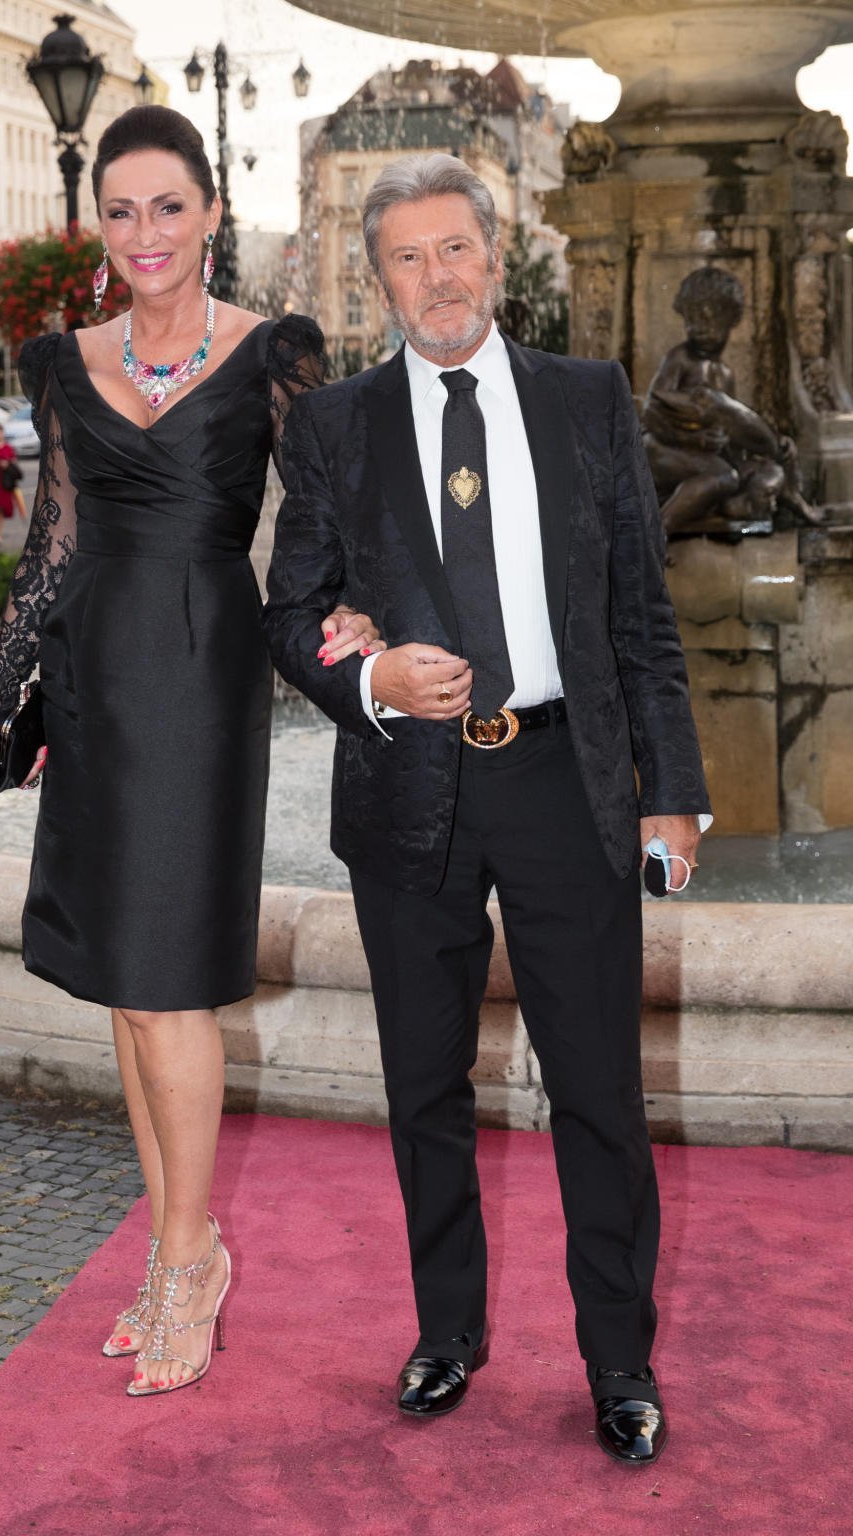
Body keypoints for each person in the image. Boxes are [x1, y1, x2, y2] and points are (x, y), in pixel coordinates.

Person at [263, 153, 711, 1465]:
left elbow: (640, 613)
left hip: (568, 780)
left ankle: (619, 1361)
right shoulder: (333, 426)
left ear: (497, 256)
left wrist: (673, 792)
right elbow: (289, 616)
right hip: (410, 784)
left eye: (454, 247)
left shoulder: (587, 398)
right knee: (423, 1083)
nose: (437, 277)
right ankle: (446, 1331)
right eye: (406, 257)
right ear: (379, 280)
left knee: (599, 1089)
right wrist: (374, 681)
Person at [0, 105, 380, 1399]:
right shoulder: (61, 361)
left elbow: (330, 509)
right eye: (120, 210)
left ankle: (194, 1262)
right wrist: (5, 701)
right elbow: (51, 545)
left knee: (168, 984)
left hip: (201, 680)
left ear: (210, 213)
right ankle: (170, 1249)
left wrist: (362, 613)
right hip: (95, 680)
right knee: (124, 988)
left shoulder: (272, 353)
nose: (144, 233)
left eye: (167, 206)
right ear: (98, 225)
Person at [642, 265, 822, 534]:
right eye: (691, 319)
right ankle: (659, 530)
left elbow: (732, 430)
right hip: (665, 451)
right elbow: (651, 413)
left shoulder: (725, 374)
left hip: (707, 458)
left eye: (709, 319)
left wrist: (768, 446)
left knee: (770, 472)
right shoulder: (680, 359)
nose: (698, 328)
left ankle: (722, 512)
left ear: (731, 319)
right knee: (724, 477)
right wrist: (695, 439)